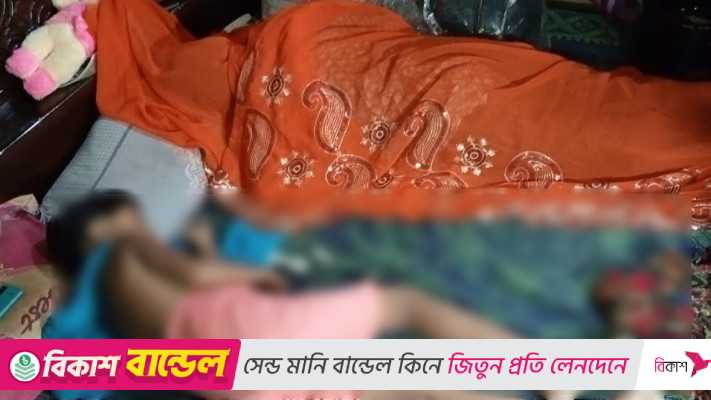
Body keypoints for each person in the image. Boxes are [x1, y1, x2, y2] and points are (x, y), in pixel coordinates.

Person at [45, 190, 529, 400]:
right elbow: (195, 277)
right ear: (100, 227)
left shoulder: (103, 300)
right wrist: (259, 277)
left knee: (406, 390)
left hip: (228, 382)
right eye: (128, 213)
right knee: (403, 305)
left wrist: (204, 251)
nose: (140, 220)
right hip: (251, 336)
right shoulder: (121, 249)